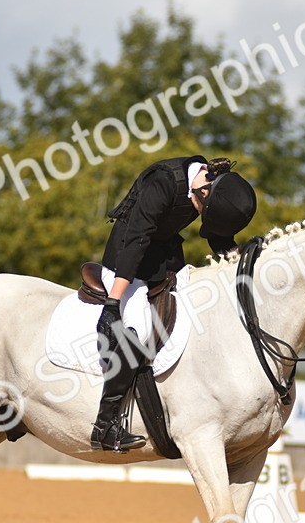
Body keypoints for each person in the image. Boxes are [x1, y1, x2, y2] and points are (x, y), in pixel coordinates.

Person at [90, 155, 257, 452]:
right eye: (202, 210)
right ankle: (105, 425)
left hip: (162, 260)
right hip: (125, 259)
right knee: (140, 329)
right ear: (204, 191)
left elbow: (218, 235)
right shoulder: (163, 183)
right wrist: (114, 301)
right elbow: (137, 238)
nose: (199, 215)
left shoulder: (208, 186)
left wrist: (236, 255)